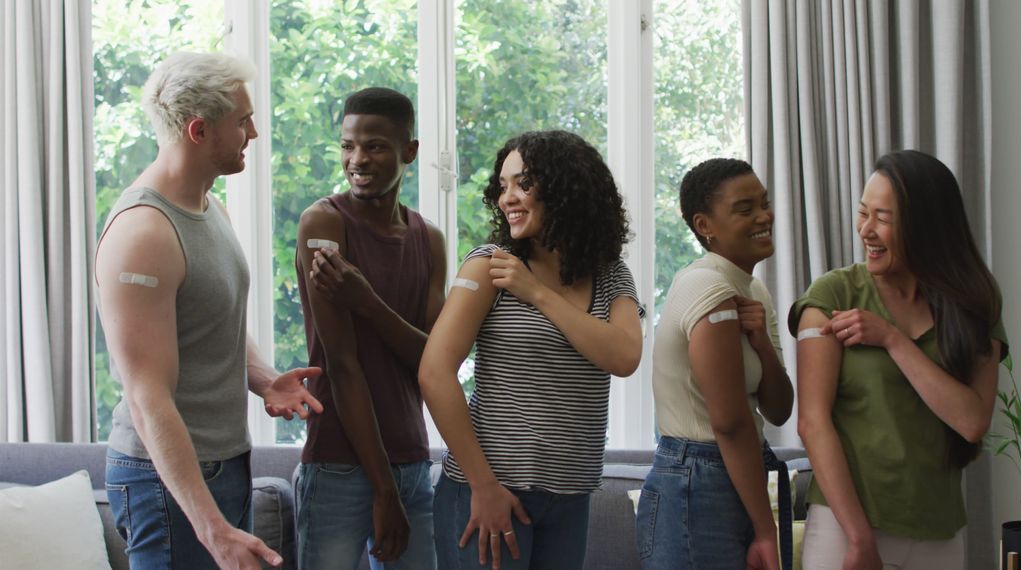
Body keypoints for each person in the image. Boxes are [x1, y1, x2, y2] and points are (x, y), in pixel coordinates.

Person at [96, 51, 323, 570]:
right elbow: (146, 397)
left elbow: (212, 317)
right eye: (242, 122)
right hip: (165, 481)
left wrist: (264, 379)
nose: (255, 134)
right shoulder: (144, 233)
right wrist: (212, 530)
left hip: (223, 465)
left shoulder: (208, 203)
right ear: (199, 130)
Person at [418, 130, 644, 570]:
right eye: (502, 186)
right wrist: (482, 486)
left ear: (566, 189)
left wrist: (537, 293)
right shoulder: (489, 266)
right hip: (487, 492)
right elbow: (434, 372)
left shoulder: (610, 274)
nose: (507, 198)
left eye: (523, 184)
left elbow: (623, 356)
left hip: (570, 497)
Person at [790, 150, 1008, 570]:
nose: (866, 230)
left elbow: (972, 420)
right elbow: (812, 423)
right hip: (847, 531)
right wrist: (857, 539)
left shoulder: (974, 303)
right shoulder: (834, 295)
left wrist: (892, 339)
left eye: (883, 219)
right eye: (862, 213)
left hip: (939, 532)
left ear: (926, 227)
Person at [294, 87, 447, 569]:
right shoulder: (323, 223)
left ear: (410, 151)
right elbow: (342, 366)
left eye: (375, 146)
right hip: (340, 464)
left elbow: (434, 362)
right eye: (347, 146)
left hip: (412, 463)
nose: (357, 159)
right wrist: (383, 491)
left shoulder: (431, 240)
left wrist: (368, 303)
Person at [635, 158, 793, 570]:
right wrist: (765, 528)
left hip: (732, 474)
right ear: (705, 225)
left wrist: (762, 344)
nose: (765, 216)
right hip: (696, 481)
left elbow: (778, 408)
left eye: (765, 203)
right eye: (745, 209)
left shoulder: (753, 289)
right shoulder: (708, 285)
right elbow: (729, 421)